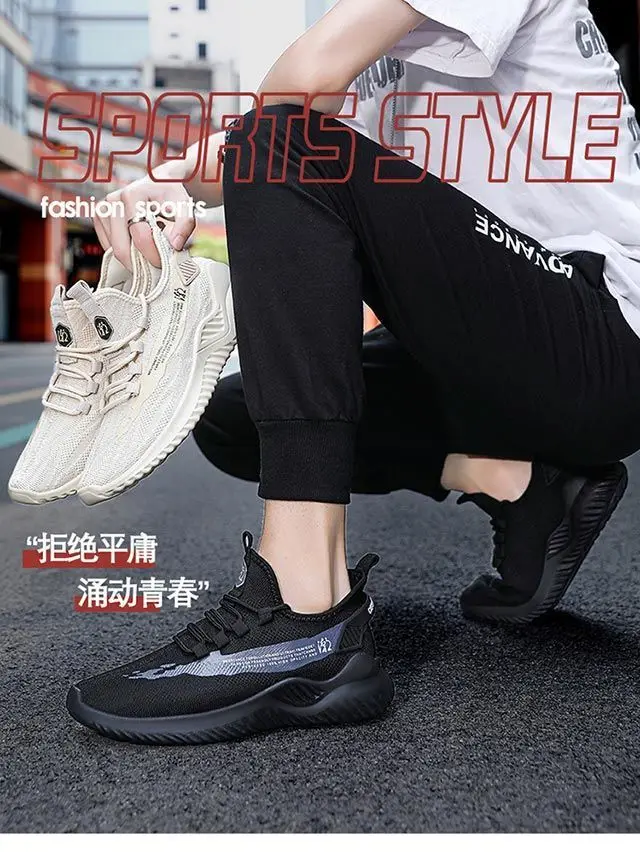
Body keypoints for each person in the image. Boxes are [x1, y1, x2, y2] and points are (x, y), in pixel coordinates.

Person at [66, 0, 640, 743]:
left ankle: (306, 613)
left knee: (282, 139)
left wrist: (251, 145)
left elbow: (292, 101)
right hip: (500, 347)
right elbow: (259, 139)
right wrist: (169, 180)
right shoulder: (378, 52)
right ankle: (524, 484)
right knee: (231, 417)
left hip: (602, 332)